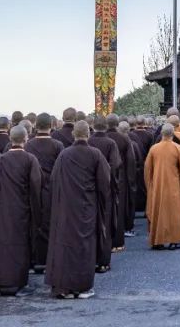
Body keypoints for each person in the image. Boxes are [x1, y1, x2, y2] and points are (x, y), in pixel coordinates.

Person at [46, 120, 111, 299]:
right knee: (84, 246)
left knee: (65, 245)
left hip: (66, 207)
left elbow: (54, 179)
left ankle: (64, 288)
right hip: (86, 207)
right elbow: (105, 183)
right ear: (88, 134)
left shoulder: (64, 154)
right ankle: (82, 288)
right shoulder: (95, 154)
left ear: (74, 134)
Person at [0, 125, 45, 296]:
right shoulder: (30, 159)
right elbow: (36, 187)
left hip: (1, 209)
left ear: (10, 139)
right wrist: (37, 213)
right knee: (18, 246)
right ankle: (15, 284)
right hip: (20, 210)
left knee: (1, 245)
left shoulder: (0, 160)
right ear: (26, 139)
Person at [24, 112, 63, 272]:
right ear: (52, 126)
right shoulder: (57, 145)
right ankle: (48, 260)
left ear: (35, 126)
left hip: (31, 190)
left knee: (32, 224)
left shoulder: (28, 145)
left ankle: (33, 260)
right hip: (51, 190)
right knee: (50, 224)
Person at [144, 123, 180, 250]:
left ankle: (157, 241)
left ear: (161, 134)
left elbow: (148, 170)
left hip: (157, 185)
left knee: (157, 211)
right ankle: (174, 240)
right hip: (174, 185)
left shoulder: (154, 149)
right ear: (173, 134)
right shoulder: (178, 148)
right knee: (175, 212)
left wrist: (150, 186)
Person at [88, 116, 124, 257]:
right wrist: (114, 182)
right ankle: (105, 249)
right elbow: (115, 165)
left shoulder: (89, 141)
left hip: (89, 185)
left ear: (93, 126)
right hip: (107, 184)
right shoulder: (110, 143)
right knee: (107, 216)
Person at [105, 114, 137, 239]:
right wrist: (131, 180)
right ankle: (120, 230)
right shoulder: (123, 138)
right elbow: (131, 160)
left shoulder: (96, 138)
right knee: (120, 205)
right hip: (120, 176)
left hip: (100, 177)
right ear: (117, 124)